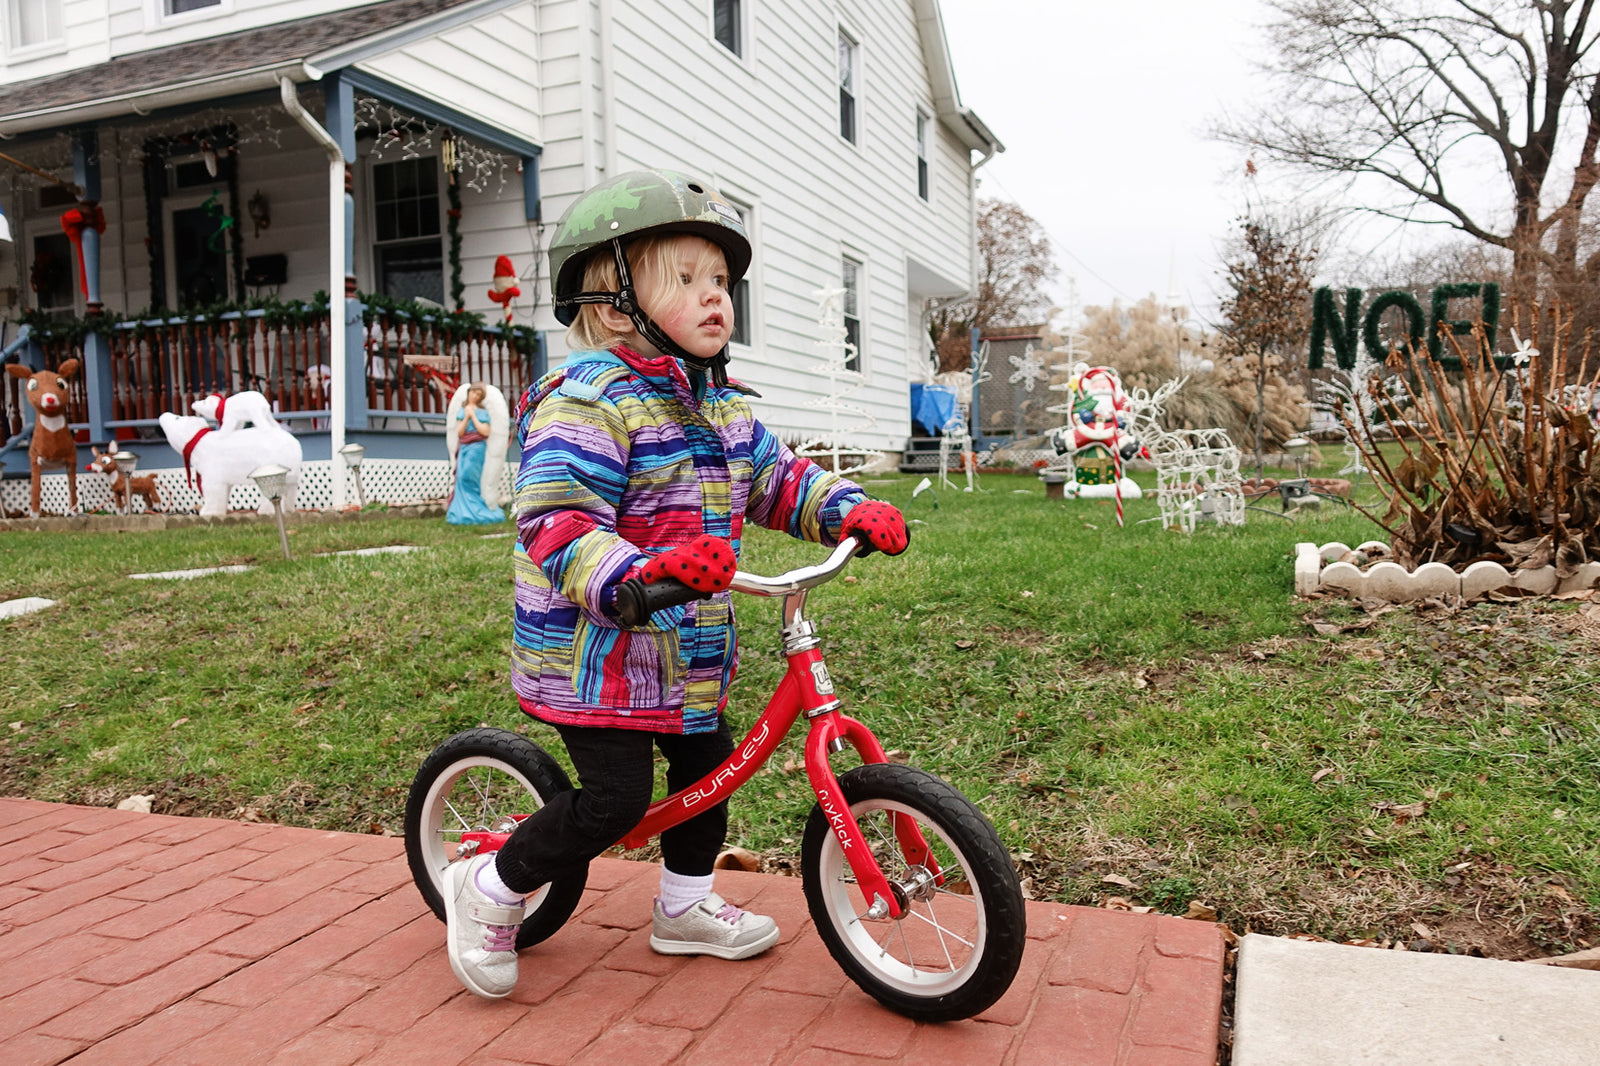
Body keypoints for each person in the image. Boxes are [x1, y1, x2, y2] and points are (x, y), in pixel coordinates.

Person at [442, 168, 910, 999]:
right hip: (598, 653)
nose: (715, 299)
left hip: (688, 653)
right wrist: (634, 574)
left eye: (722, 282)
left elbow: (776, 479)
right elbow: (558, 520)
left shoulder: (722, 405)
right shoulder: (586, 401)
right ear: (612, 298)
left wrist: (848, 509)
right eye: (687, 281)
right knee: (614, 800)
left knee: (706, 773)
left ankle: (684, 907)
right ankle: (487, 890)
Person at [446, 383, 506, 525]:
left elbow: (485, 431)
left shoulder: (482, 413)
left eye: (479, 394)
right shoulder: (462, 411)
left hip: (477, 447)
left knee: (469, 475)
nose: (475, 396)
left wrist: (473, 416)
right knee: (461, 476)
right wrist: (466, 416)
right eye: (474, 392)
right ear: (469, 393)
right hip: (464, 447)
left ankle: (476, 507)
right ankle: (461, 511)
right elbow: (459, 432)